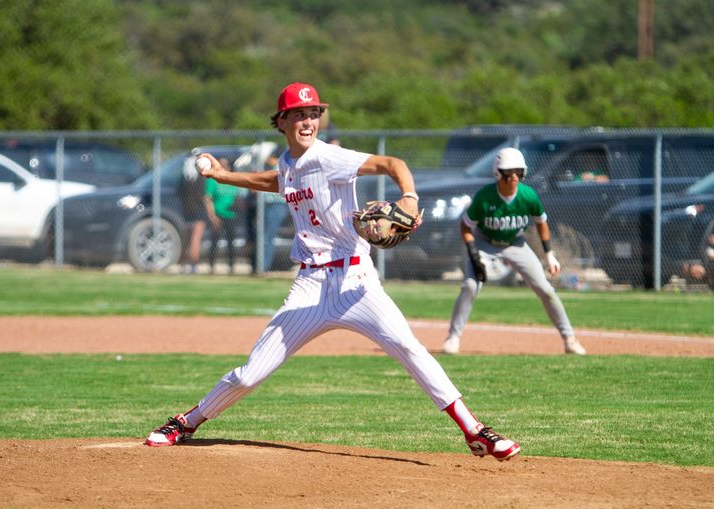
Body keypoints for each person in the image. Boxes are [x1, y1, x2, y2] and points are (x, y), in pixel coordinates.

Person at [145, 82, 520, 462]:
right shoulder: (289, 164)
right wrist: (224, 177)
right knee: (249, 374)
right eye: (298, 114)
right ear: (282, 121)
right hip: (309, 286)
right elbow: (276, 181)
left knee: (408, 347)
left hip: (356, 282)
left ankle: (475, 432)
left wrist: (409, 196)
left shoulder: (330, 157)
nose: (308, 121)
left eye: (313, 113)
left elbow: (394, 165)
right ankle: (186, 422)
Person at [441, 147, 587, 356]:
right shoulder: (485, 197)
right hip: (484, 243)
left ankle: (570, 339)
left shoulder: (528, 196)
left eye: (518, 172)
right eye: (508, 173)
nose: (514, 178)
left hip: (515, 244)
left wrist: (549, 255)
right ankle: (453, 337)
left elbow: (541, 223)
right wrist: (473, 254)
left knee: (545, 289)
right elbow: (465, 226)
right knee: (470, 286)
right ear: (497, 174)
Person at [204, 157, 244, 274]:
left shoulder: (232, 179)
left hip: (231, 215)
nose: (223, 167)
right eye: (221, 165)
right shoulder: (212, 180)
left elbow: (239, 197)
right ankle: (211, 267)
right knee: (214, 241)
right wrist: (212, 216)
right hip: (218, 215)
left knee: (231, 242)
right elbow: (208, 198)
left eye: (225, 165)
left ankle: (231, 267)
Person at [179, 155, 209, 273]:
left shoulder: (184, 179)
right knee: (195, 240)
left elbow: (179, 193)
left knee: (186, 240)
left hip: (187, 211)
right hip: (199, 212)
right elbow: (203, 195)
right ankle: (193, 266)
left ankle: (183, 265)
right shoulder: (200, 178)